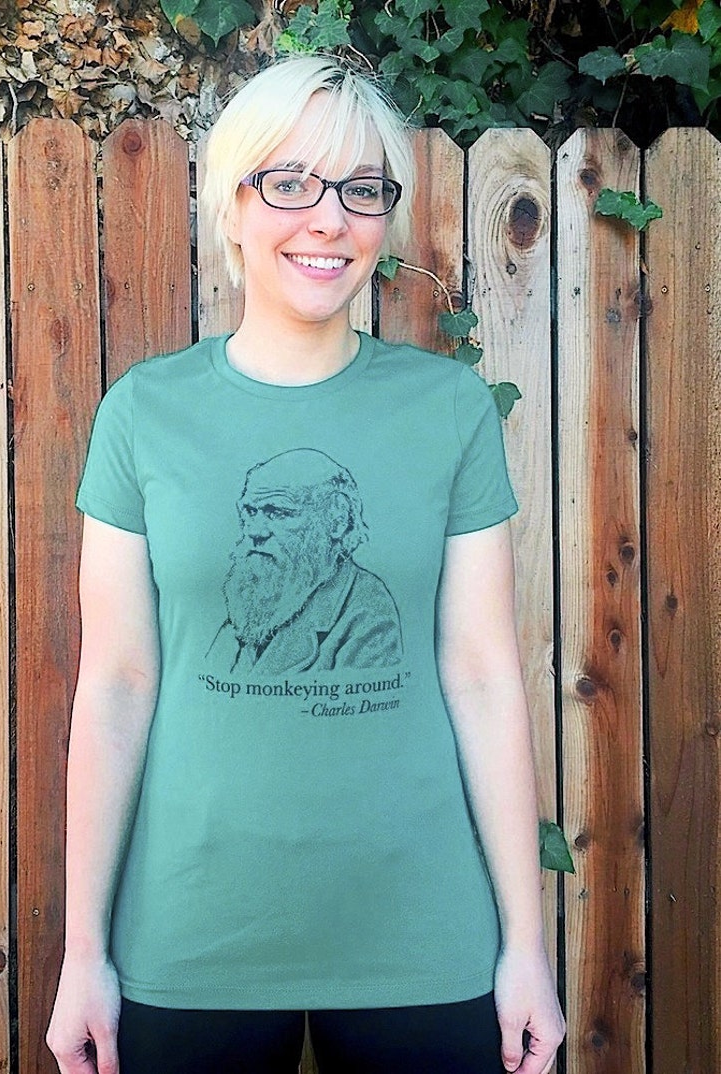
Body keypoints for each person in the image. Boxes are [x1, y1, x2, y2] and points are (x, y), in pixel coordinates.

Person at [46, 53, 565, 1074]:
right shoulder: (144, 413)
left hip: (420, 938)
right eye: (288, 183)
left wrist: (523, 948)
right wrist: (83, 953)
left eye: (361, 190)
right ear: (231, 206)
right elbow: (115, 688)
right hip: (190, 939)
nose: (328, 220)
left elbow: (480, 679)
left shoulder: (449, 412)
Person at [206, 448, 404, 673]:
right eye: (251, 511)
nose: (255, 531)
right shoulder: (250, 600)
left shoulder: (366, 610)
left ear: (336, 522)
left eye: (278, 513)